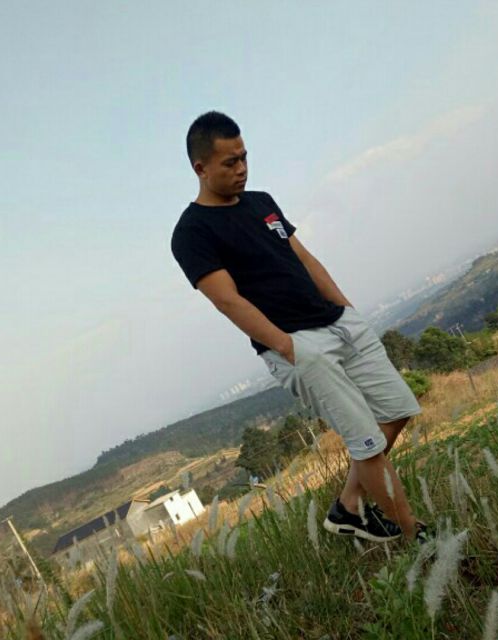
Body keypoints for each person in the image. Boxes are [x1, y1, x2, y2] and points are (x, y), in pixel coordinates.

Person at [171, 111, 429, 543]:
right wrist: (288, 348)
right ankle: (414, 537)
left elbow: (304, 259)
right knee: (366, 442)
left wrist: (347, 310)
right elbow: (227, 300)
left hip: (339, 323)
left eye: (244, 157)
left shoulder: (262, 202)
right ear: (200, 167)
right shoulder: (191, 232)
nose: (242, 168)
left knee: (397, 410)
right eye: (230, 162)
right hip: (298, 344)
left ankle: (348, 507)